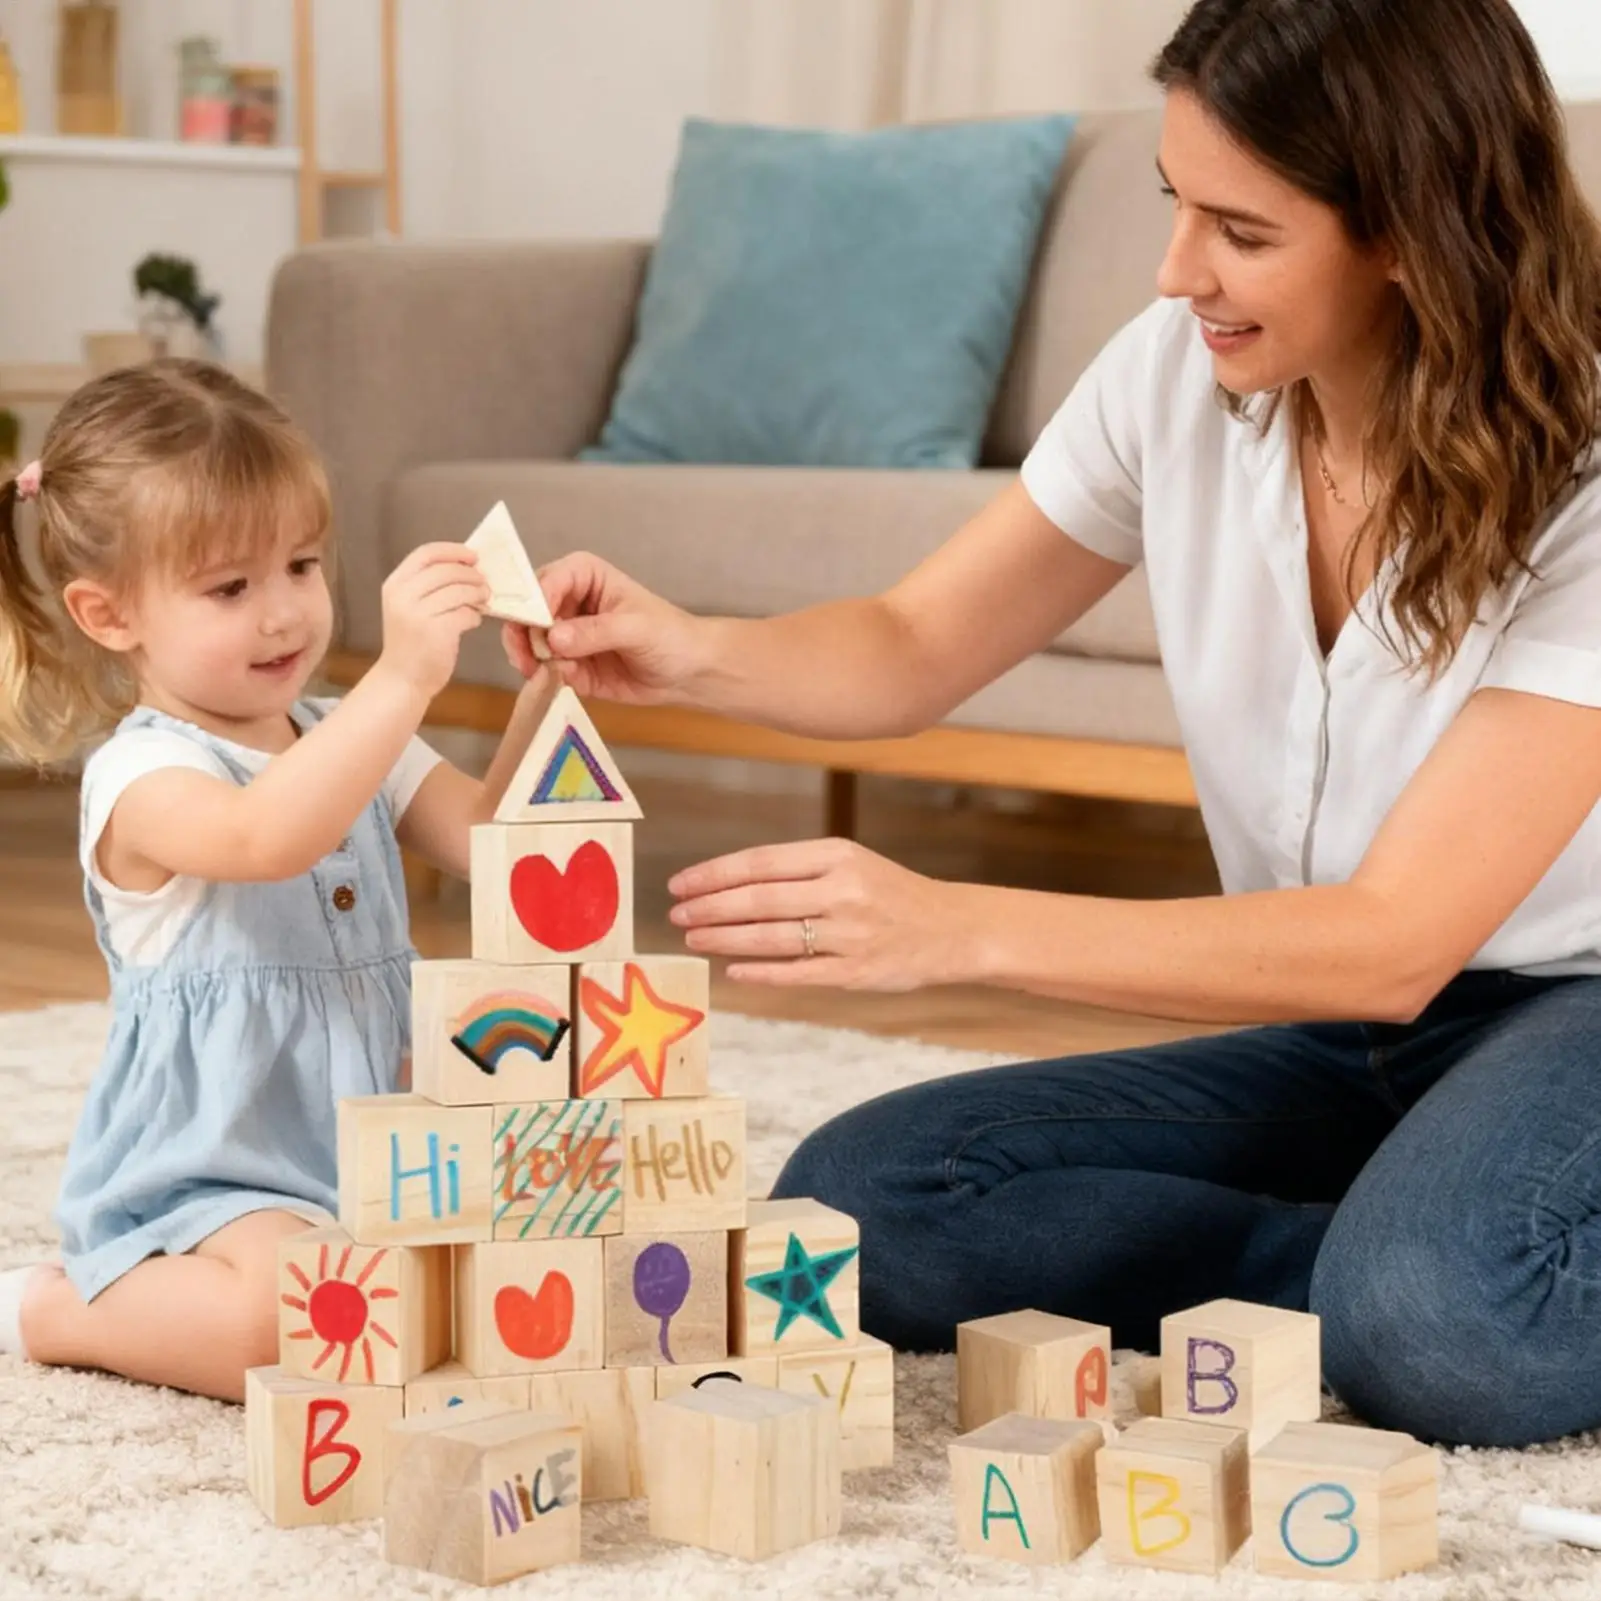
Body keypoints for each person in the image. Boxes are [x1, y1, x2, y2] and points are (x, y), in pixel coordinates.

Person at [504, 0, 1601, 1449]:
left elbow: (1398, 938)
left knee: (1443, 1325)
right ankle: (1394, 1241)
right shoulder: (1181, 376)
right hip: (1336, 1030)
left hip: (1566, 1008)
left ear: (1410, 228)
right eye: (1174, 205)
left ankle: (1420, 1262)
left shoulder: (1580, 466)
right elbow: (908, 646)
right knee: (859, 1204)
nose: (1175, 271)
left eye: (1241, 232)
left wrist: (952, 928)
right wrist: (690, 650)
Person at [0, 360, 550, 1402]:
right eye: (230, 587)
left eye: (301, 564)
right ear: (110, 615)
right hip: (219, 1168)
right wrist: (402, 677)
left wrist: (549, 686)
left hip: (388, 1142)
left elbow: (494, 840)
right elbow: (266, 836)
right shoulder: (142, 775)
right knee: (292, 1322)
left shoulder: (349, 731)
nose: (285, 613)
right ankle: (52, 1302)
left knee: (527, 1250)